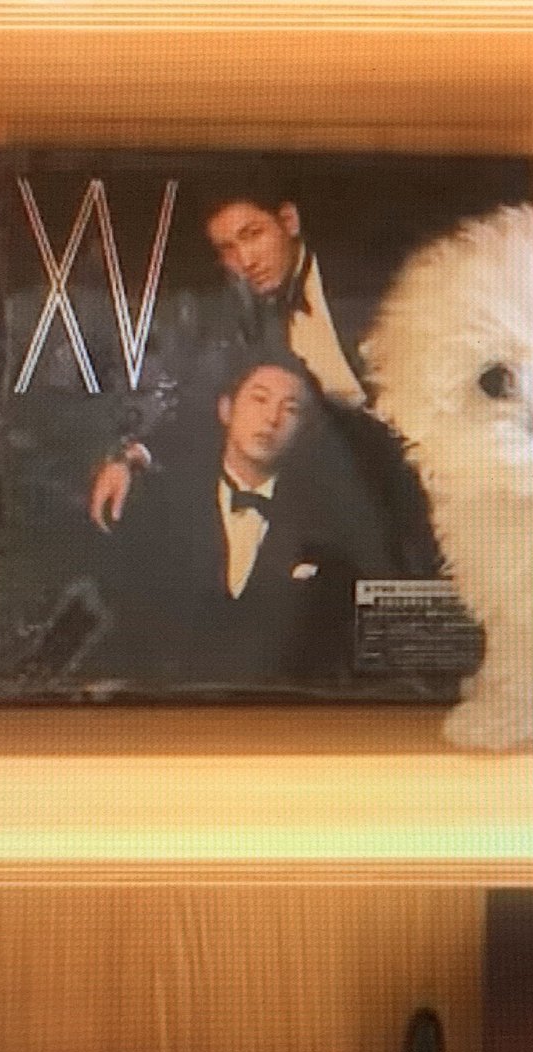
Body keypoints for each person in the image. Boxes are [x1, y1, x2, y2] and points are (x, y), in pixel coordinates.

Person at [88, 175, 440, 578]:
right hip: (363, 484)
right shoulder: (250, 319)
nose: (246, 261)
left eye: (252, 235)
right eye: (228, 249)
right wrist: (132, 457)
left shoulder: (367, 279)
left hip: (442, 455)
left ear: (288, 221)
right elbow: (211, 401)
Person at [106, 358, 367, 686]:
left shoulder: (326, 526)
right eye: (259, 399)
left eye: (291, 409)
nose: (271, 418)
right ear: (226, 410)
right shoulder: (161, 507)